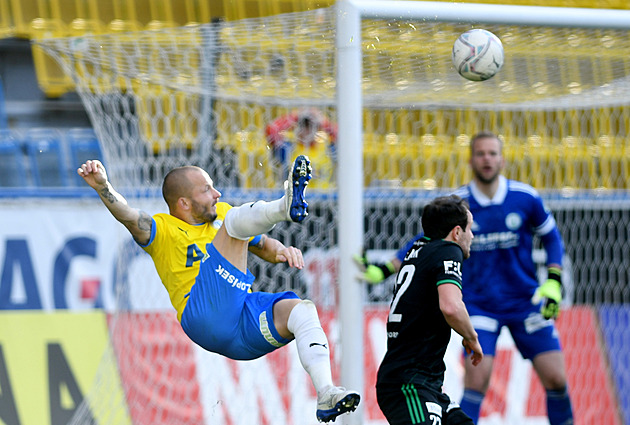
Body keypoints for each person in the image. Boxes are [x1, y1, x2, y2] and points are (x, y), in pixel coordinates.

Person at [78, 155, 360, 423]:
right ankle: (282, 206)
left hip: (240, 332)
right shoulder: (162, 229)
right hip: (202, 315)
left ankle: (326, 392)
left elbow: (263, 246)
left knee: (301, 311)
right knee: (235, 221)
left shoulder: (223, 217)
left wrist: (283, 250)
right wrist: (103, 186)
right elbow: (127, 215)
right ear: (184, 203)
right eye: (207, 190)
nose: (217, 194)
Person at [359, 131, 574, 425]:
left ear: (502, 158)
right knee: (476, 379)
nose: (487, 159)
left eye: (492, 153)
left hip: (523, 301)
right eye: (481, 153)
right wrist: (383, 269)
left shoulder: (525, 198)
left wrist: (553, 281)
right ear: (471, 159)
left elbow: (552, 239)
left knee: (557, 377)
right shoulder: (459, 205)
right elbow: (426, 241)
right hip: (479, 304)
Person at [376, 194, 482, 425]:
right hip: (409, 383)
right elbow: (451, 307)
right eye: (469, 228)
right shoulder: (448, 250)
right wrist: (471, 337)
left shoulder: (418, 249)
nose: (472, 235)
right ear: (456, 232)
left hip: (426, 385)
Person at [265, 108, 337, 189]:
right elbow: (271, 130)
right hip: (295, 199)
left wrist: (322, 120)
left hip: (323, 198)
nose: (306, 130)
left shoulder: (328, 148)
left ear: (317, 128)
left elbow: (343, 137)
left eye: (311, 126)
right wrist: (296, 115)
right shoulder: (289, 148)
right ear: (296, 127)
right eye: (303, 125)